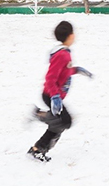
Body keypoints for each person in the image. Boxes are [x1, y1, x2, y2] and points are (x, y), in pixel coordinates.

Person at [28, 21, 93, 163]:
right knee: (66, 122)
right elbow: (50, 77)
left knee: (59, 125)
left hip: (53, 95)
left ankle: (37, 149)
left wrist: (77, 70)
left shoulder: (63, 53)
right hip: (51, 95)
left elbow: (63, 70)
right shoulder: (62, 55)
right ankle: (39, 114)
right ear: (70, 36)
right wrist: (55, 97)